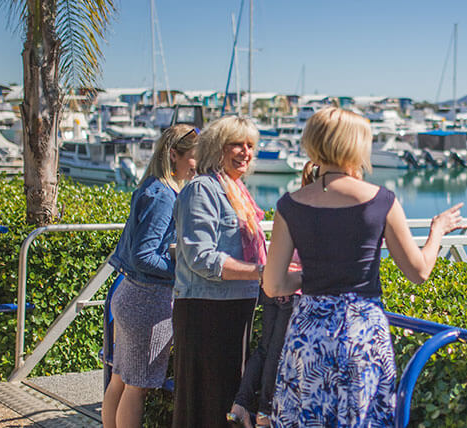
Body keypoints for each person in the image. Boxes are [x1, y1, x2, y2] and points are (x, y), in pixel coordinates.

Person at [263, 107, 465, 427]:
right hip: (361, 331)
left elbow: (274, 285)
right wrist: (437, 230)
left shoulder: (289, 205)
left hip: (309, 333)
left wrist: (315, 275)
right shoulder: (381, 200)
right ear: (357, 146)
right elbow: (419, 272)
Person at [171, 116, 266, 428]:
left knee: (228, 403)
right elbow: (200, 256)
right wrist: (261, 271)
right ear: (217, 148)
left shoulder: (237, 191)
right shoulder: (202, 189)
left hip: (236, 309)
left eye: (250, 145)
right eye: (236, 144)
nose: (245, 152)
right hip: (206, 313)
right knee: (206, 405)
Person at [101, 124, 198, 428]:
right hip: (148, 302)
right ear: (174, 155)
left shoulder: (152, 187)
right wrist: (183, 273)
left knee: (120, 379)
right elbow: (145, 255)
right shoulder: (165, 196)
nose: (200, 163)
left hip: (131, 295)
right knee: (136, 387)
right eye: (196, 156)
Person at [227, 164, 315, 428]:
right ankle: (265, 414)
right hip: (295, 290)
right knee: (277, 353)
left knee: (265, 349)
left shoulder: (292, 207)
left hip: (273, 283)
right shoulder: (321, 212)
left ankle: (240, 405)